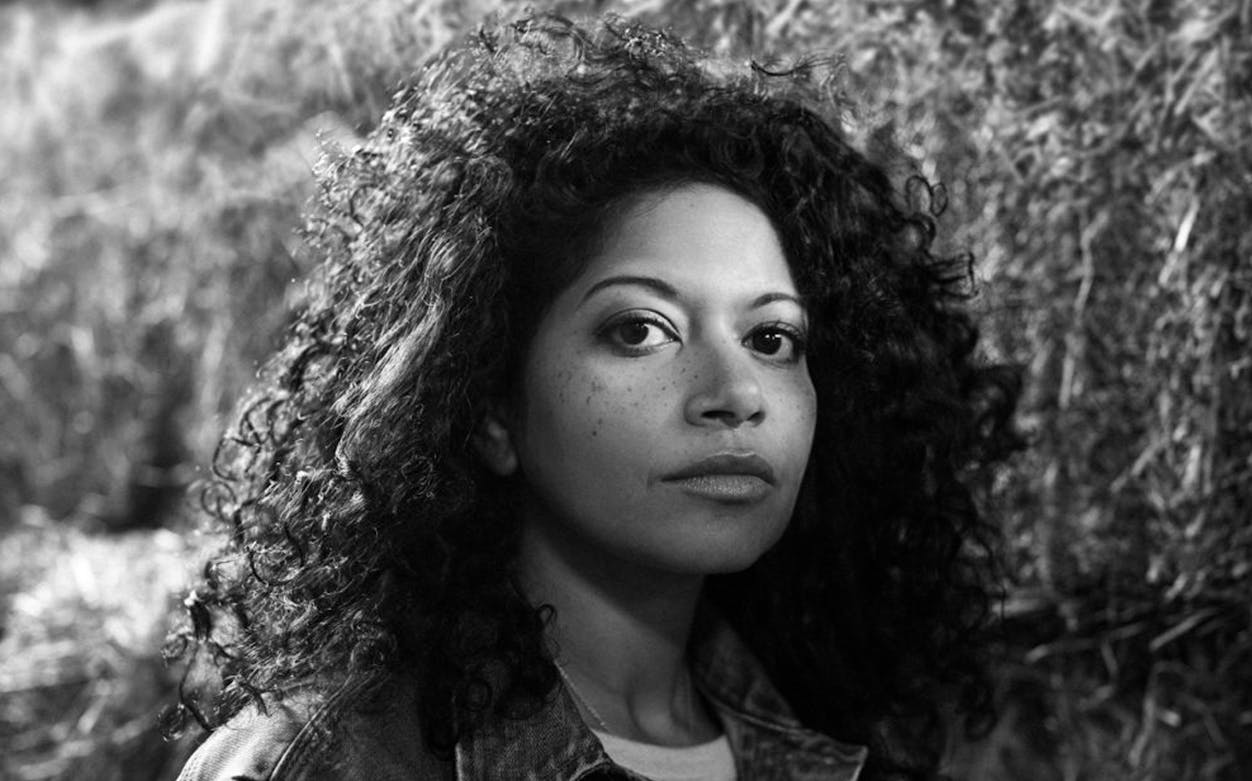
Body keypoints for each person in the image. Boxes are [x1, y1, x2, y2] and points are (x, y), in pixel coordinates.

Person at [167, 11, 1020, 781]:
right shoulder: (326, 764)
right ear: (491, 403)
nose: (735, 394)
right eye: (640, 330)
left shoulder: (847, 753)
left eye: (772, 339)